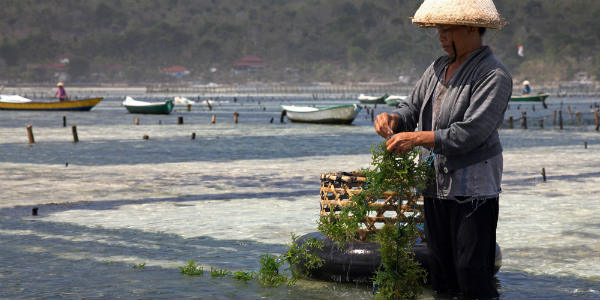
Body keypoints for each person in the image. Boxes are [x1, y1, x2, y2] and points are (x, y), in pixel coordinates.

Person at [374, 0, 511, 299]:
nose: (441, 37)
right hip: (435, 183)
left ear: (473, 28)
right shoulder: (438, 67)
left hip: (473, 187)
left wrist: (416, 138)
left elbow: (472, 133)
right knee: (442, 269)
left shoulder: (493, 75)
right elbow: (411, 107)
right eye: (439, 30)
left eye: (448, 30)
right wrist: (394, 119)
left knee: (471, 270)